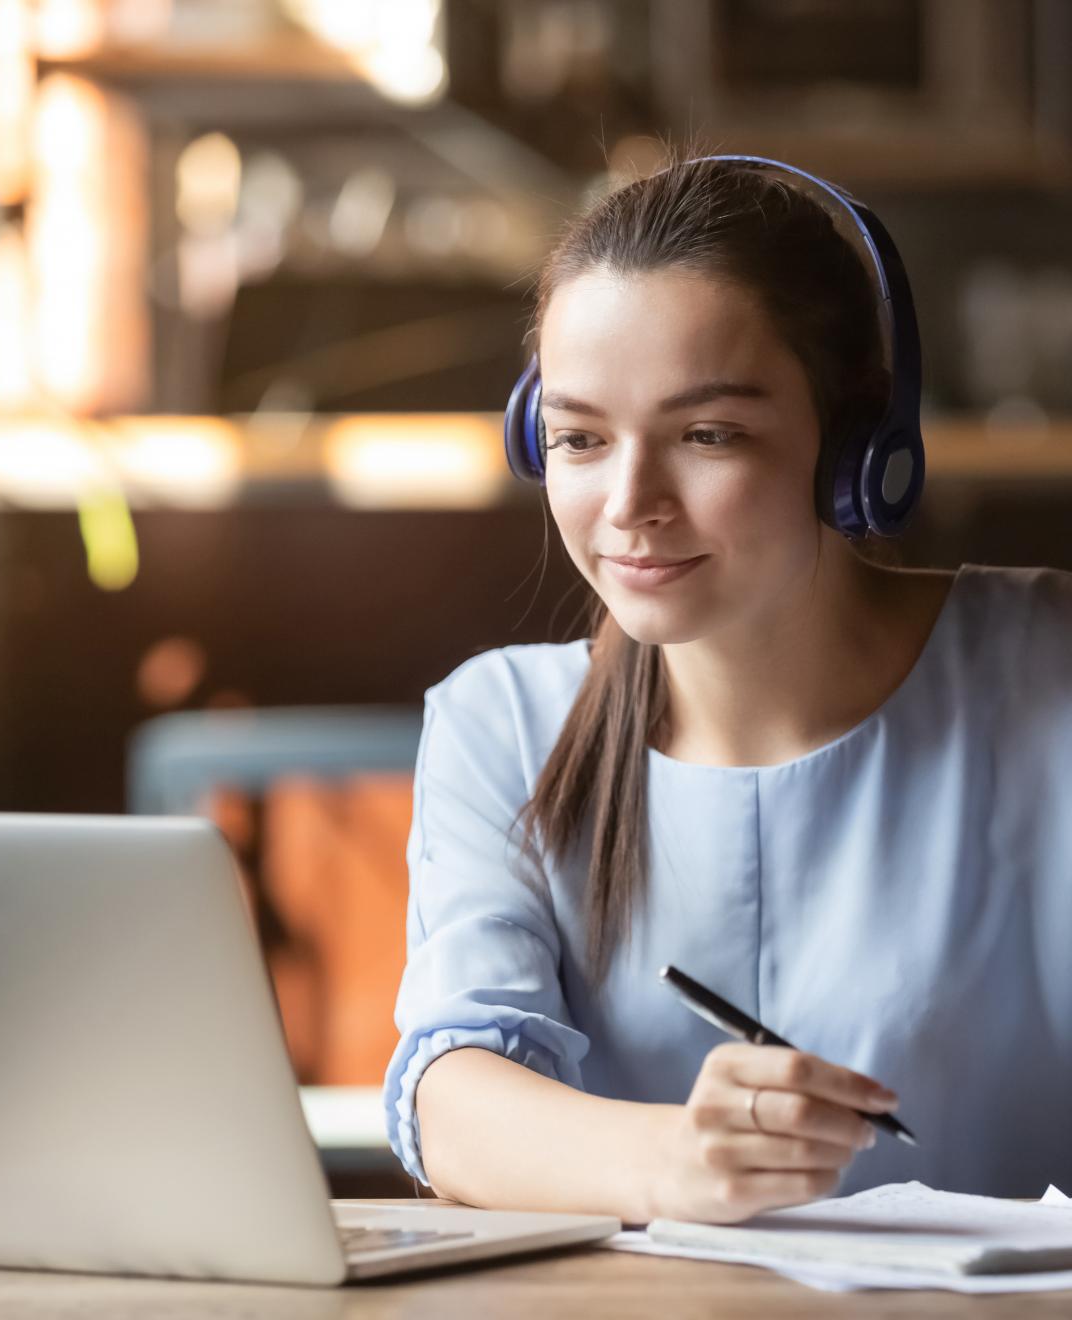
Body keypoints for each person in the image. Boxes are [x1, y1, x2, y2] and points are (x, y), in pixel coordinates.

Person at [381, 149, 1072, 1226]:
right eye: (581, 438)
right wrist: (680, 1161)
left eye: (708, 435)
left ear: (853, 446)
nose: (630, 503)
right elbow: (451, 1094)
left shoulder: (1046, 670)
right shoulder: (502, 722)